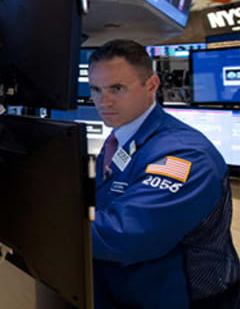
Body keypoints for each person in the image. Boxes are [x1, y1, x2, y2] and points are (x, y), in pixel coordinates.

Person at [89, 39, 240, 308]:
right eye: (96, 89)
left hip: (186, 300)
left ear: (152, 85)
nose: (103, 101)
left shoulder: (185, 155)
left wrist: (41, 222)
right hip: (130, 292)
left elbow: (125, 236)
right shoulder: (121, 138)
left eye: (117, 88)